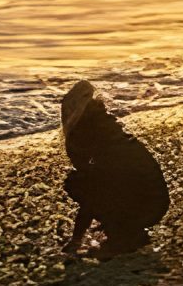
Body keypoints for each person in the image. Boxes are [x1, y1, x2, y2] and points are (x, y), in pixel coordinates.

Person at [59, 81, 170, 258]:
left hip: (146, 209)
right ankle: (125, 229)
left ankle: (124, 235)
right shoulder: (108, 128)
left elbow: (91, 193)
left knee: (77, 183)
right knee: (90, 182)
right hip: (156, 204)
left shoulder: (96, 140)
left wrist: (76, 239)